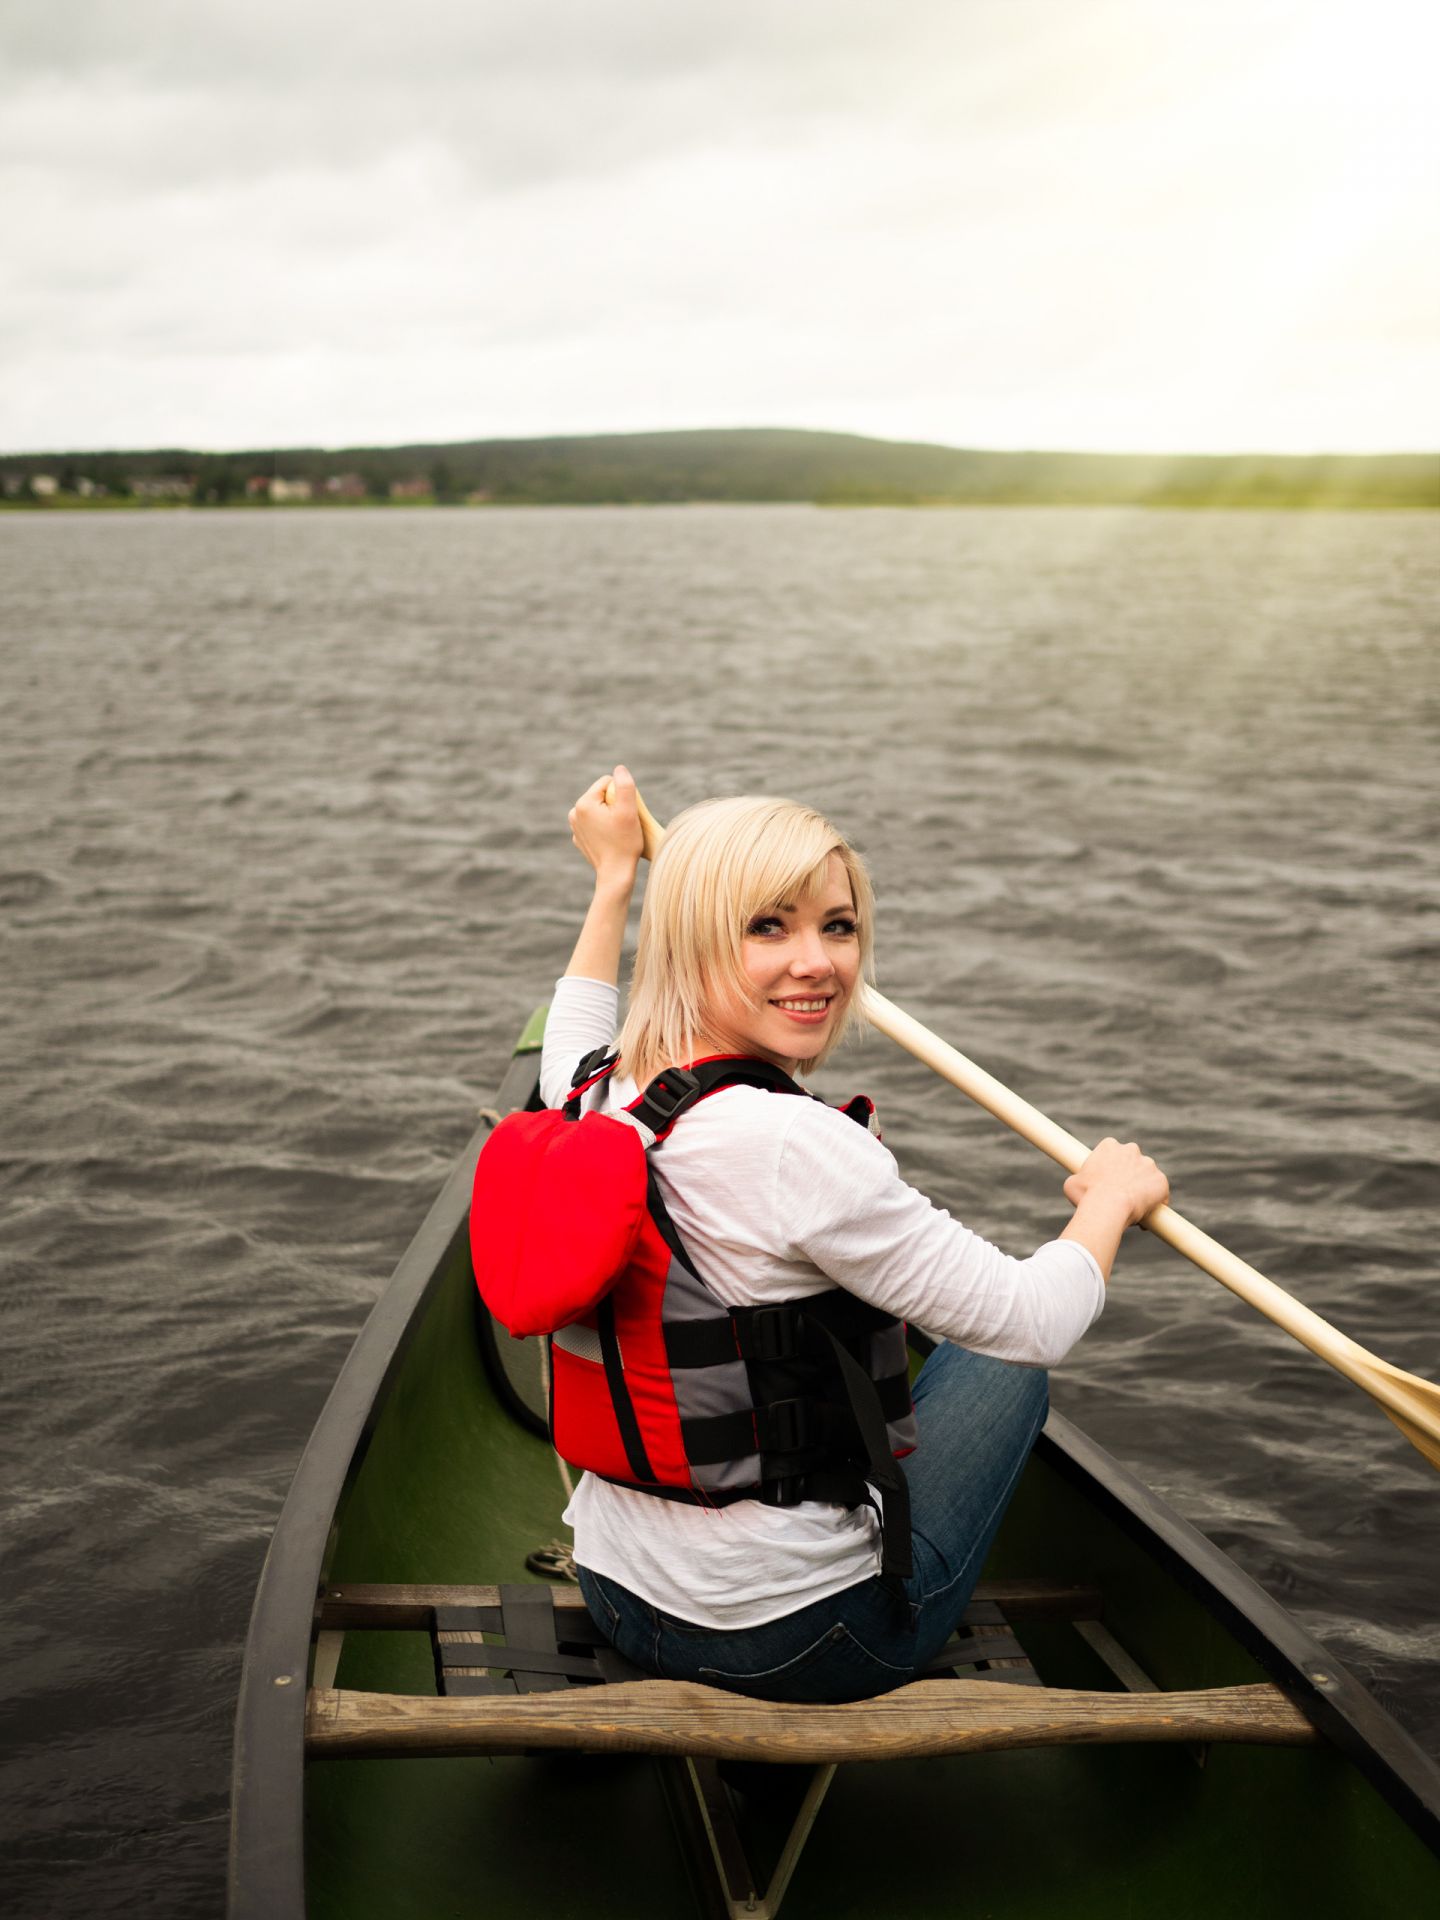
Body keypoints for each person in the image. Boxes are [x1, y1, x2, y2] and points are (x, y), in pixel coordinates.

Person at [540, 764, 1168, 1705]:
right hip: (797, 1642)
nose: (820, 963)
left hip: (620, 1593)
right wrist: (1109, 1200)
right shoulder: (798, 1144)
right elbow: (1036, 1319)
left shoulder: (604, 1093)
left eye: (837, 926)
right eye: (769, 926)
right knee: (1005, 1367)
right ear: (694, 940)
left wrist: (612, 880)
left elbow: (567, 1040)